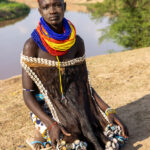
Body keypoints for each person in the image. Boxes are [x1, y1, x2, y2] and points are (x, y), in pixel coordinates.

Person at [21, 0, 129, 149]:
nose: (52, 11)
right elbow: (28, 93)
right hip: (47, 106)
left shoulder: (77, 43)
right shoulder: (32, 46)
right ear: (39, 11)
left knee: (107, 136)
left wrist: (108, 111)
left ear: (64, 6)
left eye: (57, 5)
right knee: (71, 144)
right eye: (46, 7)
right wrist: (50, 123)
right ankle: (40, 132)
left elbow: (84, 86)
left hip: (76, 102)